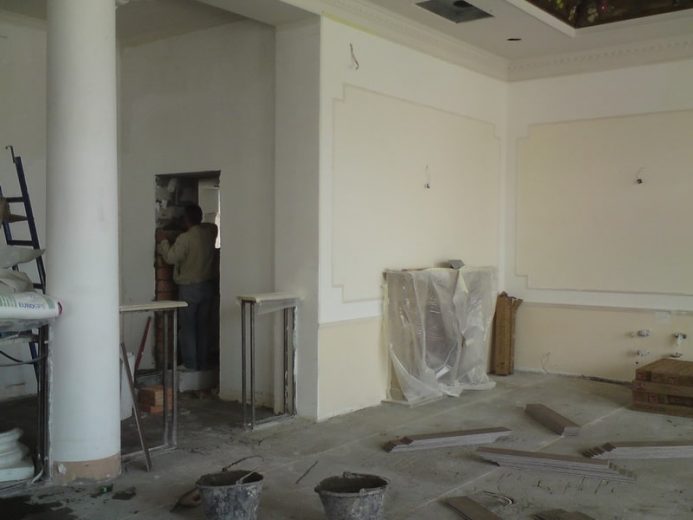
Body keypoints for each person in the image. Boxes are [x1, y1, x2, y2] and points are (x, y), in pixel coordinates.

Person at [157, 204, 215, 371]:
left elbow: (170, 257)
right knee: (203, 327)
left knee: (188, 328)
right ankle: (202, 364)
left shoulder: (185, 238)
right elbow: (211, 225)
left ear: (185, 219)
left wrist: (163, 241)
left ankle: (190, 365)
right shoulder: (209, 233)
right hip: (207, 286)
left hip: (189, 289)